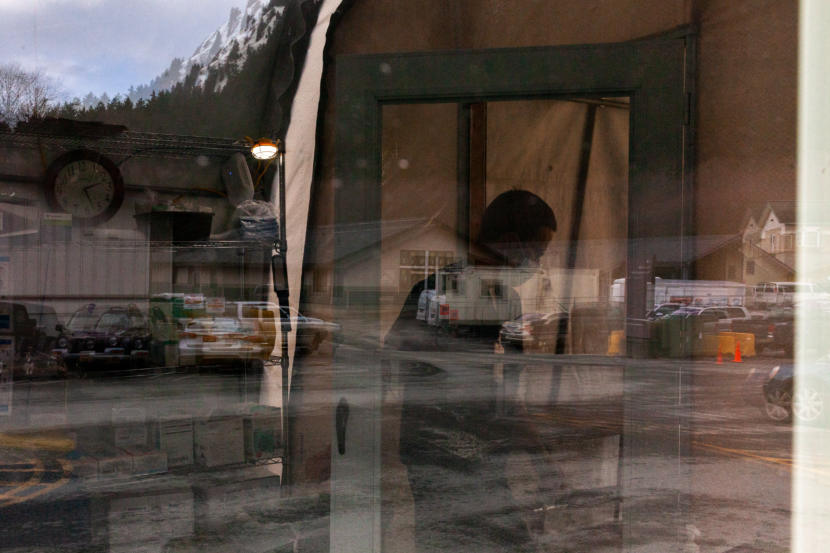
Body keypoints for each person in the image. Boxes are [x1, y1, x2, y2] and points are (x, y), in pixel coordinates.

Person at [385, 190, 561, 552]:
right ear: (511, 244)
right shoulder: (435, 292)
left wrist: (538, 458)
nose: (537, 264)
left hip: (477, 451)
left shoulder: (504, 299)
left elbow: (507, 391)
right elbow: (395, 362)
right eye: (537, 253)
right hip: (436, 454)